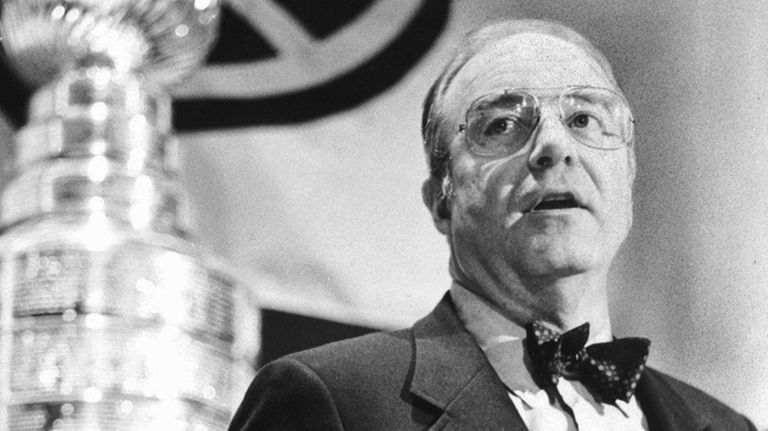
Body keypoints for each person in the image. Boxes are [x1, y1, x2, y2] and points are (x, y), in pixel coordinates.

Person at [228, 19, 756, 431]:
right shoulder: (332, 400)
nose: (554, 147)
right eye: (502, 124)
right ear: (441, 201)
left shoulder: (727, 427)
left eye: (584, 119)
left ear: (628, 177)